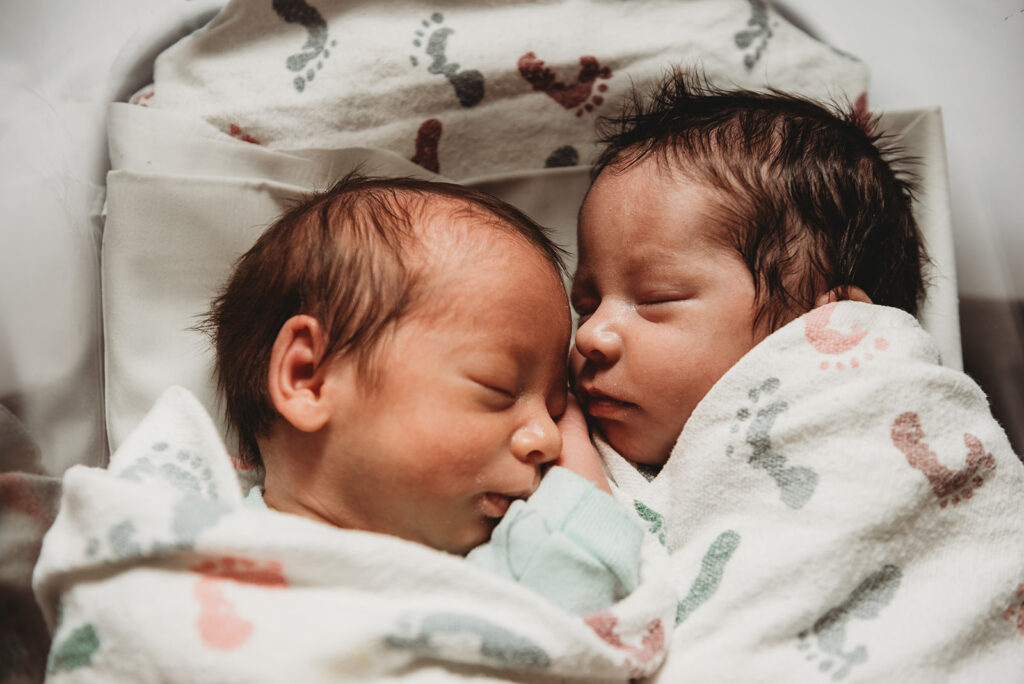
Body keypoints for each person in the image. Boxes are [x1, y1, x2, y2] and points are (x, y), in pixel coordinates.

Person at [200, 172, 641, 613]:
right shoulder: (189, 544)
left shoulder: (492, 581)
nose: (550, 440)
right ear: (309, 377)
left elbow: (576, 574)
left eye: (557, 411)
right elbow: (578, 557)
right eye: (501, 390)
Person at [569, 70, 928, 469]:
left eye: (655, 299)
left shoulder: (887, 460)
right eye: (586, 307)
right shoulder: (561, 443)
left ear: (836, 327)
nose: (588, 335)